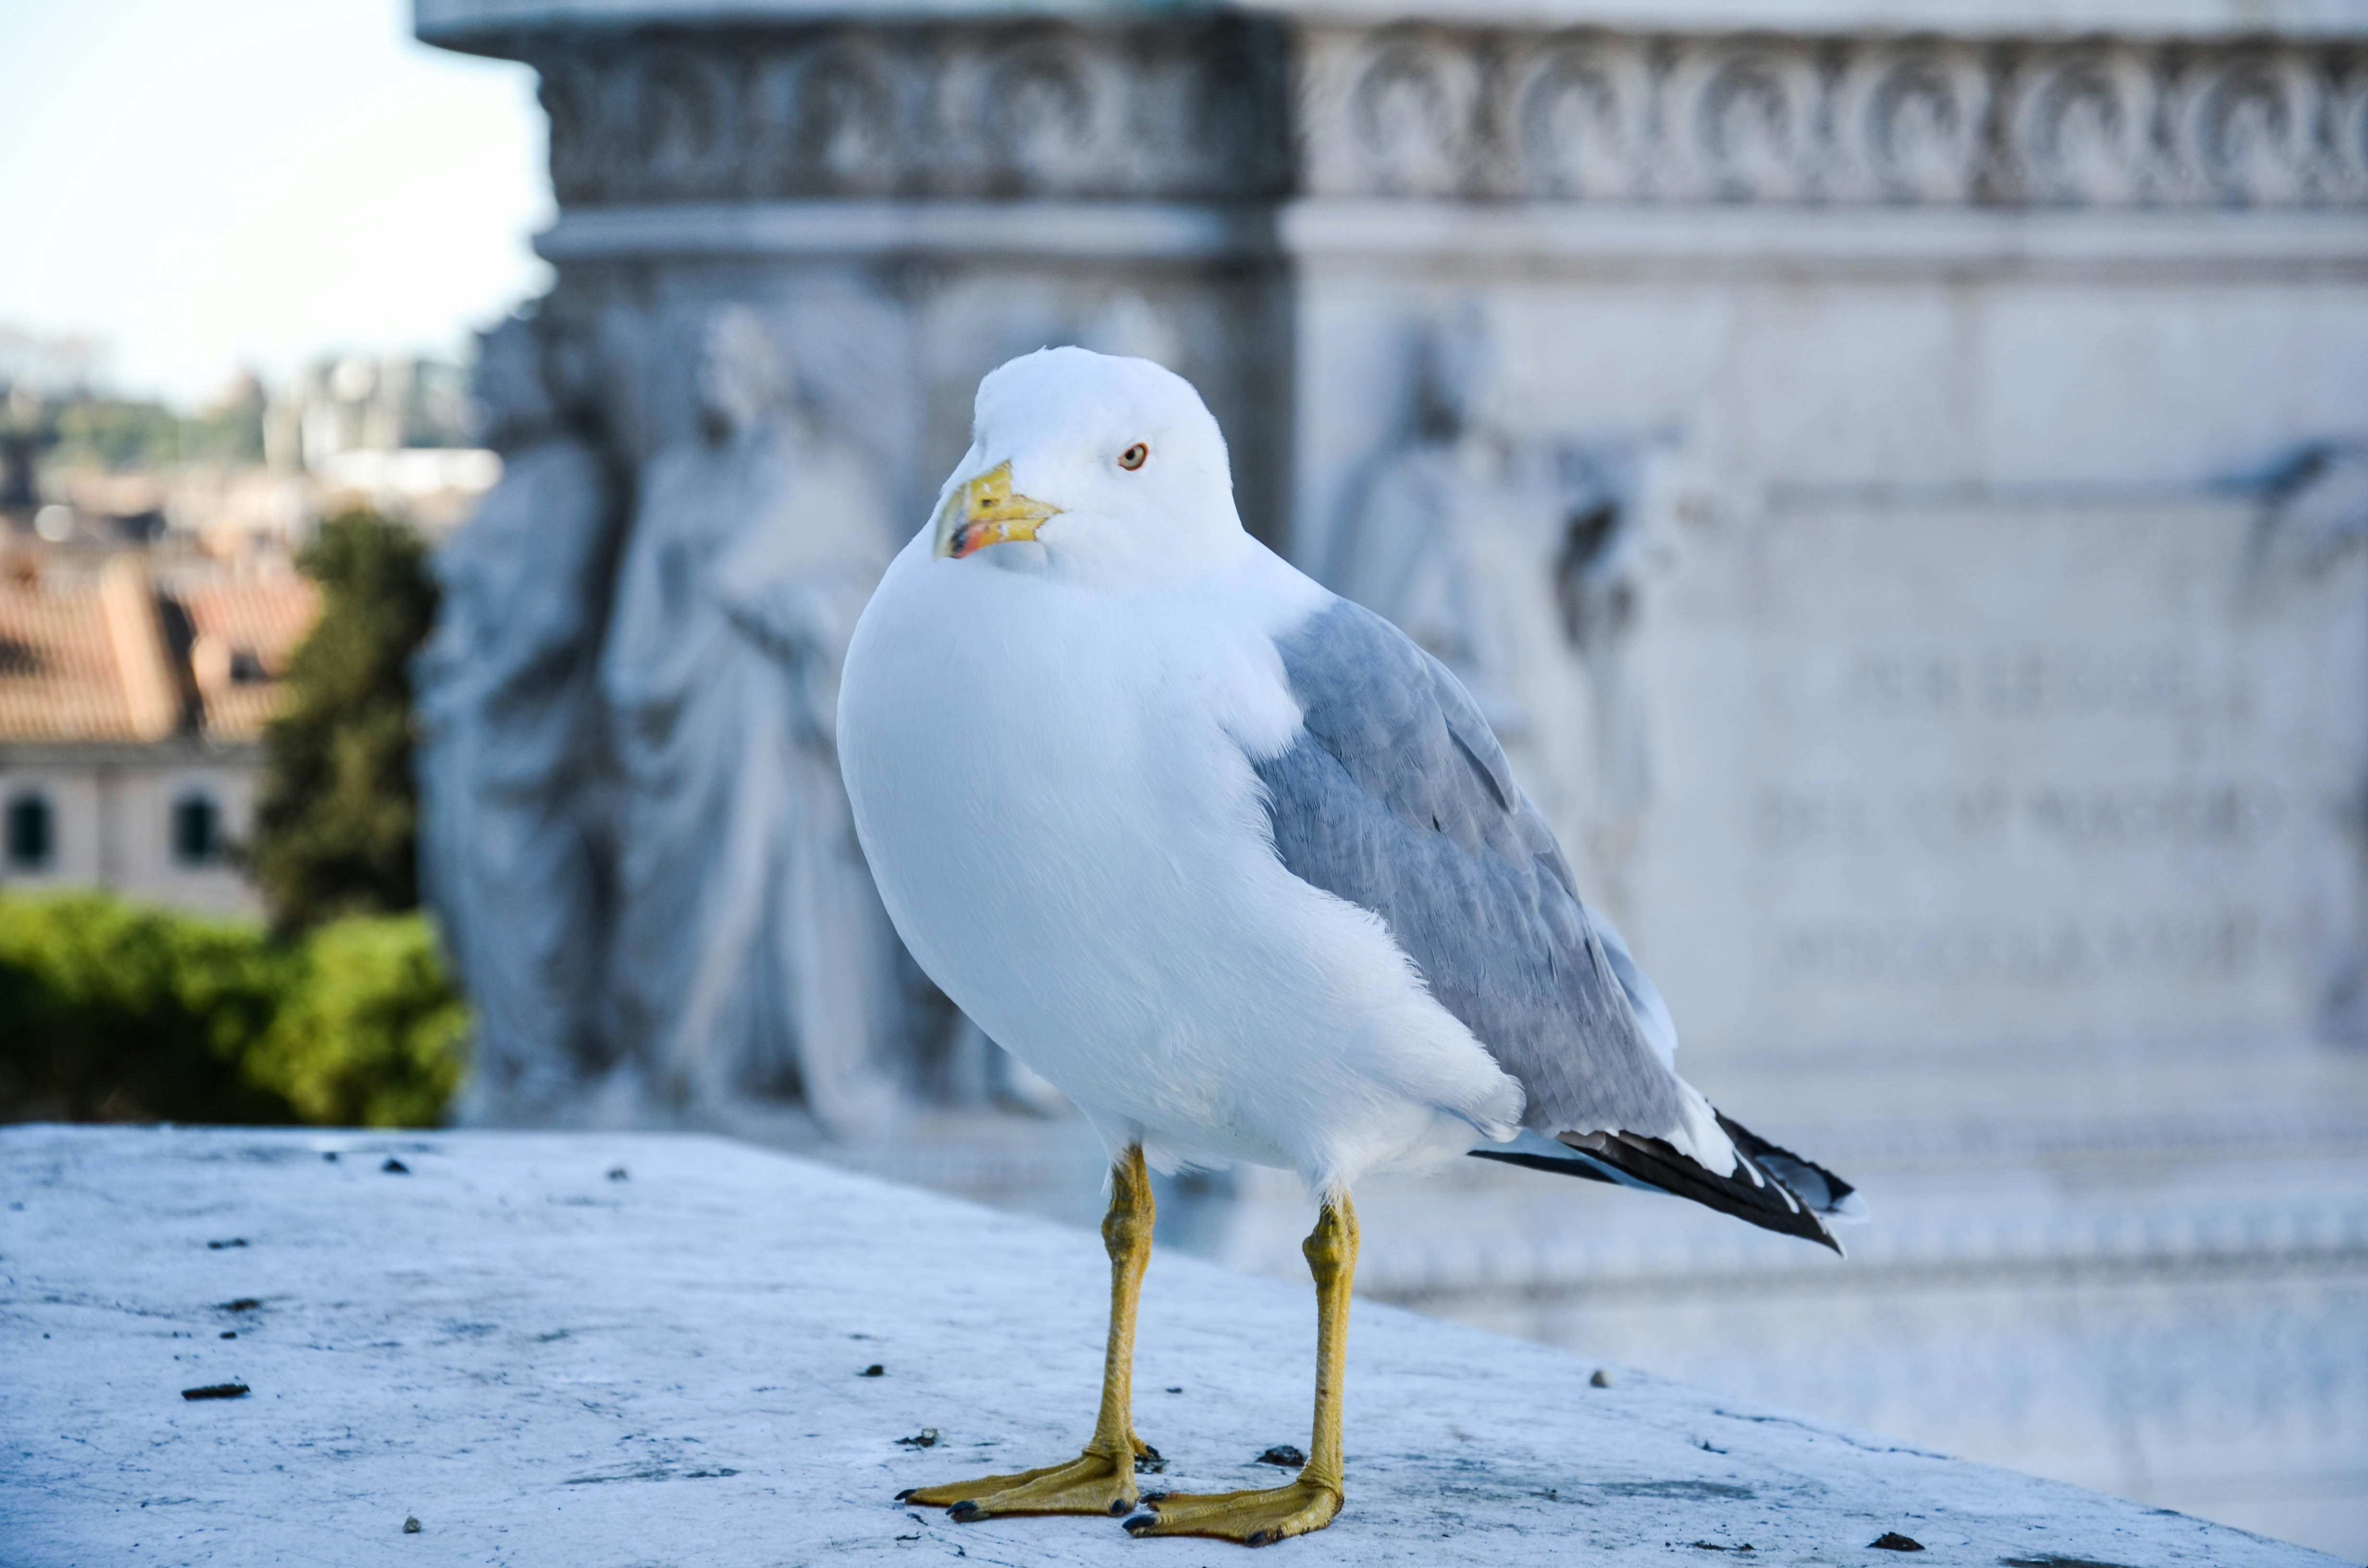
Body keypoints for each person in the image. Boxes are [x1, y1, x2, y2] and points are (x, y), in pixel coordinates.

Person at [601, 304, 904, 1133]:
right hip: (691, 726)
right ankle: (685, 1069)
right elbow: (636, 627)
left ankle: (778, 1069)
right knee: (696, 888)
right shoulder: (675, 483)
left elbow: (874, 605)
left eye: (732, 359)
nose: (713, 376)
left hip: (779, 723)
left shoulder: (823, 483)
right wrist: (648, 687)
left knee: (764, 883)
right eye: (700, 361)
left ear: (771, 370)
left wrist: (796, 613)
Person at [416, 312, 625, 1121]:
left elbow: (556, 617)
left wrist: (479, 690)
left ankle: (548, 1063)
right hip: (476, 732)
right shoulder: (523, 480)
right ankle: (514, 1058)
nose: (479, 396)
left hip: (523, 742)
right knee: (480, 900)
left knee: (529, 902)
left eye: (493, 377)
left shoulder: (572, 481)